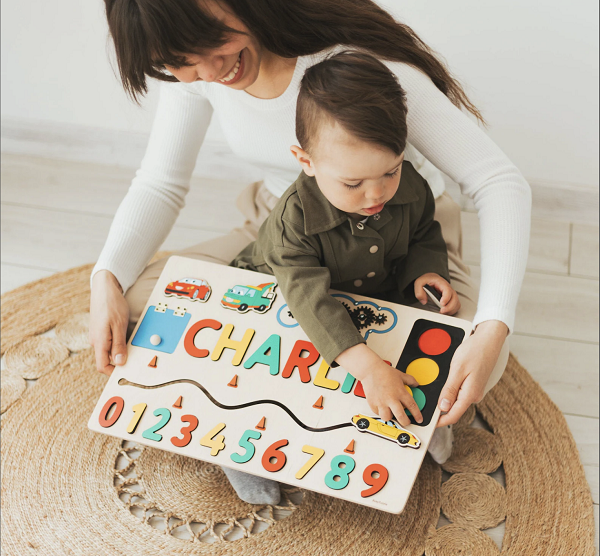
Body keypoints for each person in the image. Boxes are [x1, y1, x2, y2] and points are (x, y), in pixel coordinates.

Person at [90, 0, 531, 504]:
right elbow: (161, 182)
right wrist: (106, 277)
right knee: (146, 302)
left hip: (397, 236)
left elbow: (497, 181)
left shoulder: (361, 69)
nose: (211, 72)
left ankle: (390, 404)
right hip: (285, 232)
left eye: (212, 41)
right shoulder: (200, 75)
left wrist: (494, 323)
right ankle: (245, 431)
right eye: (181, 62)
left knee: (471, 359)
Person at [233, 51, 461, 433]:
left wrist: (426, 270)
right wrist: (369, 369)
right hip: (286, 300)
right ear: (306, 161)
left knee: (424, 349)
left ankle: (419, 425)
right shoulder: (296, 220)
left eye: (390, 171)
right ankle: (251, 437)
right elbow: (310, 301)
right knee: (275, 369)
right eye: (352, 183)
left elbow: (423, 231)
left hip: (371, 298)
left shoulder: (410, 187)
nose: (376, 194)